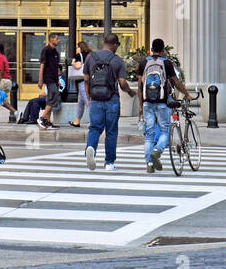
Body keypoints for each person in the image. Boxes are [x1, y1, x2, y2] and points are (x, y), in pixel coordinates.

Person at [134, 39, 189, 174]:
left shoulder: (143, 63)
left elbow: (140, 86)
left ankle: (149, 163)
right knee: (165, 130)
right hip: (163, 102)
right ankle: (157, 151)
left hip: (147, 103)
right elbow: (175, 81)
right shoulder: (166, 63)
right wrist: (186, 93)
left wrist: (140, 105)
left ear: (151, 49)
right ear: (163, 50)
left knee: (149, 135)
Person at [83, 33, 131, 172]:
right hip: (112, 99)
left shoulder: (90, 58)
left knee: (94, 128)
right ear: (115, 44)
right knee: (111, 131)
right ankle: (109, 163)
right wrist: (129, 91)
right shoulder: (117, 60)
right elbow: (122, 83)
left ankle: (91, 148)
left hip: (95, 98)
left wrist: (89, 98)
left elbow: (86, 80)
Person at [37, 33, 62, 130]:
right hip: (48, 78)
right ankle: (42, 118)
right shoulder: (46, 50)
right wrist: (40, 80)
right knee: (53, 98)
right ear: (51, 39)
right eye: (57, 38)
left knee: (50, 99)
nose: (58, 40)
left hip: (54, 79)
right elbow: (42, 65)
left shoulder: (55, 51)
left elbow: (55, 67)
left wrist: (58, 80)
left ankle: (47, 121)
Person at [69, 40, 93, 128]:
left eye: (77, 47)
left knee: (87, 102)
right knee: (80, 102)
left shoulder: (79, 55)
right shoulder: (90, 55)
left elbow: (78, 66)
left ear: (80, 48)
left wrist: (73, 62)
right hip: (89, 80)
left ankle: (93, 121)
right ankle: (77, 120)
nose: (76, 49)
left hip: (82, 81)